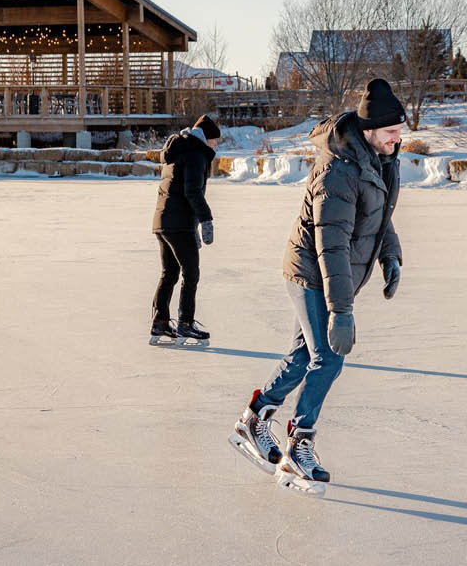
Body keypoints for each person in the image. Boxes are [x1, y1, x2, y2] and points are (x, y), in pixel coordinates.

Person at [230, 78, 406, 491]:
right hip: (310, 271)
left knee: (301, 357)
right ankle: (297, 447)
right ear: (368, 131)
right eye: (391, 132)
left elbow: (378, 211)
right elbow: (332, 245)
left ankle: (252, 421)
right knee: (328, 356)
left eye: (399, 132)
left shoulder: (378, 157)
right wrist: (341, 312)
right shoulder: (337, 171)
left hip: (332, 269)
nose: (398, 139)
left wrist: (390, 254)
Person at [149, 114, 220, 345]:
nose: (215, 145)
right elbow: (192, 192)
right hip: (179, 224)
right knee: (191, 273)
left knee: (169, 273)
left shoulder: (178, 149)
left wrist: (193, 225)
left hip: (163, 222)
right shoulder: (195, 153)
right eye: (214, 140)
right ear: (206, 137)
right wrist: (206, 219)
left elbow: (176, 191)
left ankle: (160, 322)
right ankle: (185, 324)